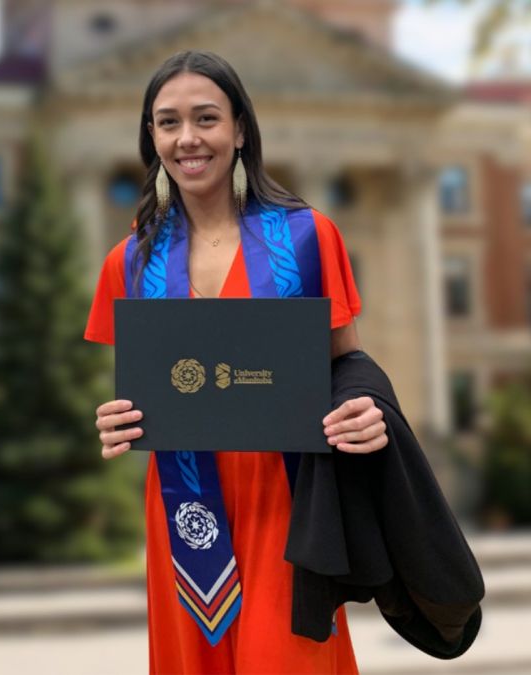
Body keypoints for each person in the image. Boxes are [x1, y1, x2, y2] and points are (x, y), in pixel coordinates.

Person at [86, 51, 389, 674]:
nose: (188, 138)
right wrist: (115, 421)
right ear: (152, 136)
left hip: (286, 496)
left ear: (240, 129)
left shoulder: (305, 238)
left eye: (206, 118)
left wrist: (370, 408)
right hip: (184, 502)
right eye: (168, 122)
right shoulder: (130, 263)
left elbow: (348, 361)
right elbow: (142, 391)